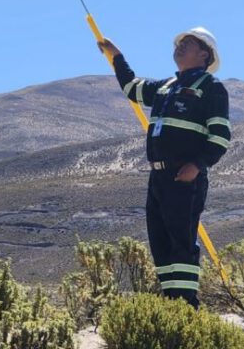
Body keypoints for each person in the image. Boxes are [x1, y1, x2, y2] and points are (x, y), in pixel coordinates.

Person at [98, 27, 230, 308]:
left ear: (204, 54)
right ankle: (170, 305)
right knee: (160, 242)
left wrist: (197, 165)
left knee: (181, 243)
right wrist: (116, 56)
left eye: (188, 43)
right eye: (179, 43)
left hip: (184, 177)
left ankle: (185, 307)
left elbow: (220, 137)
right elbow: (132, 89)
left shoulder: (211, 88)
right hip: (157, 177)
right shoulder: (164, 87)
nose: (179, 46)